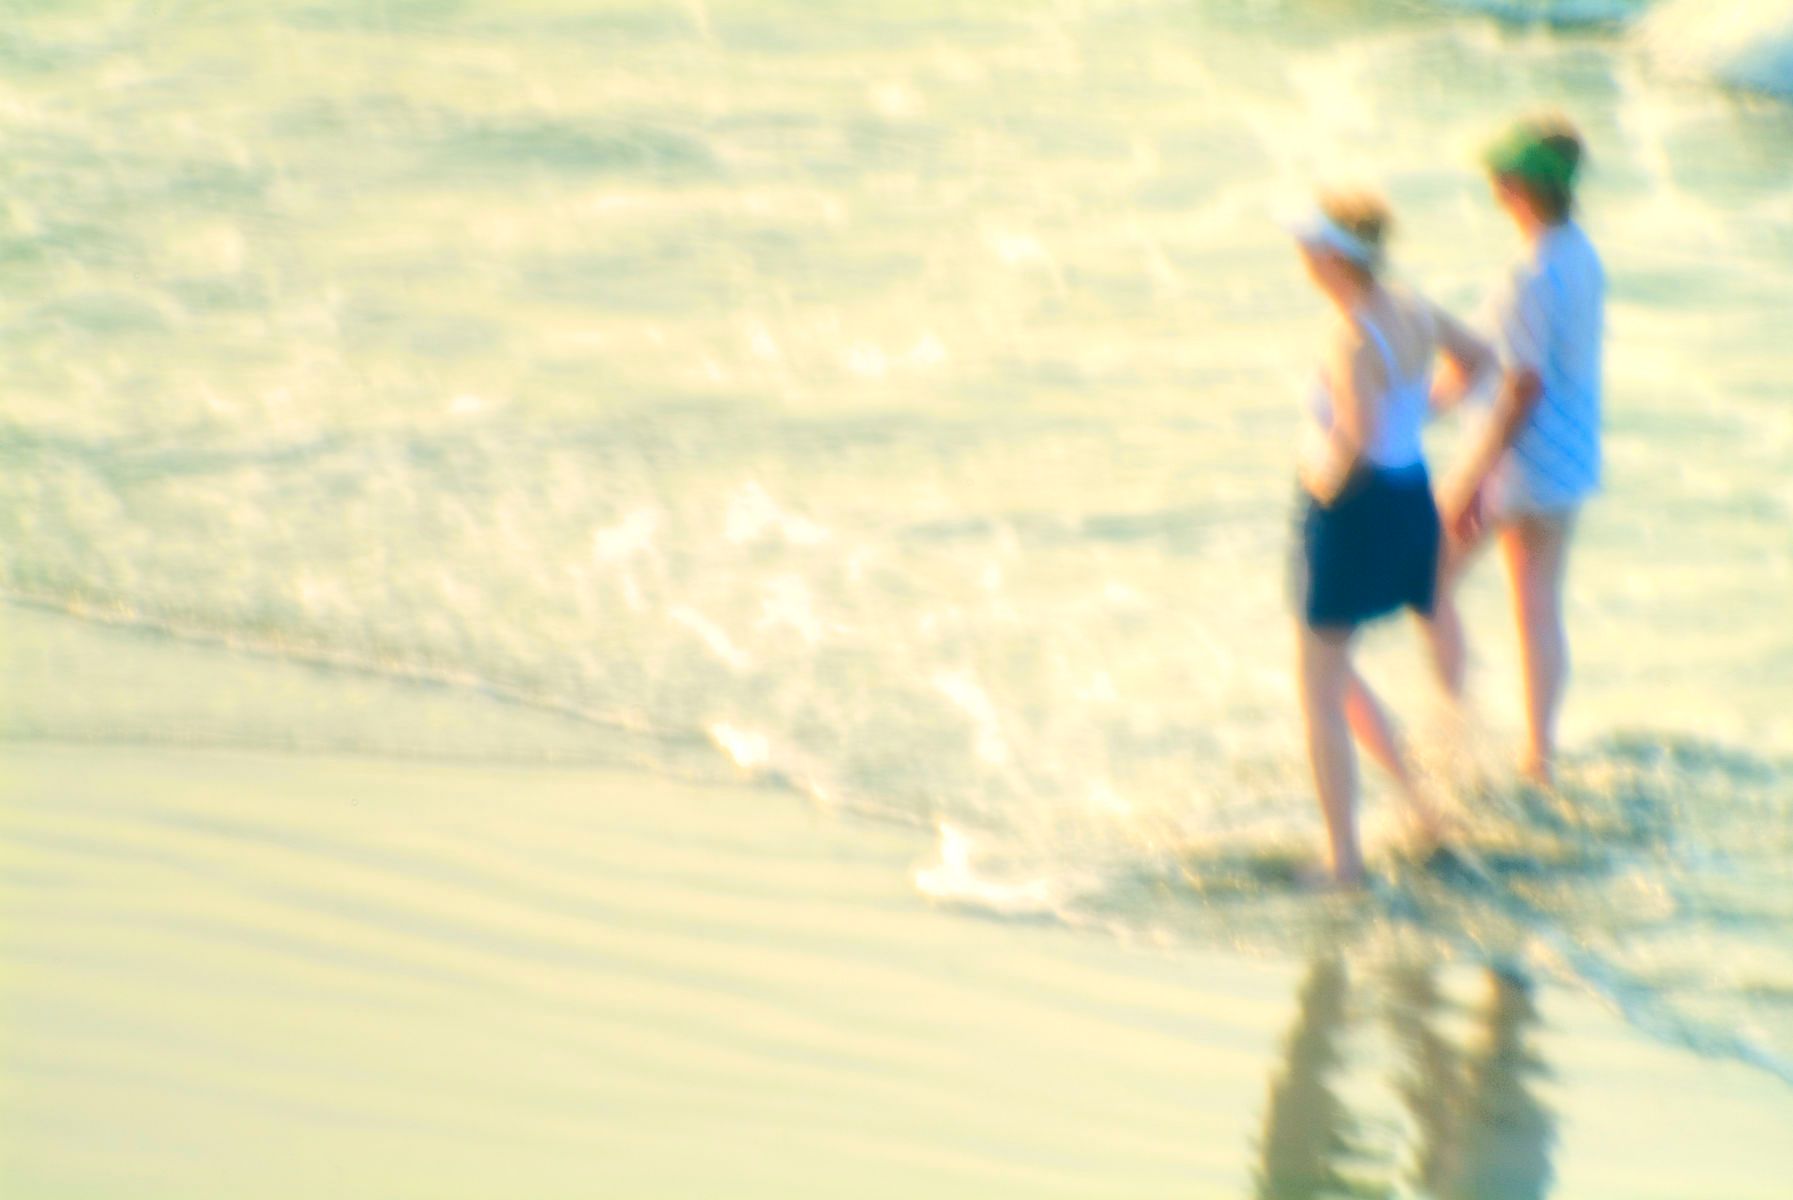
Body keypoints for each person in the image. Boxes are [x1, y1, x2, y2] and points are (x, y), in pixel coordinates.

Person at [1286, 191, 1496, 887]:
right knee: (1336, 669)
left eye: (1309, 247)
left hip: (1356, 507)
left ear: (1334, 258)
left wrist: (1317, 487)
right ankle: (1421, 805)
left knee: (1317, 682)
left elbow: (1353, 440)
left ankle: (1342, 860)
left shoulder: (1347, 335)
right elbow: (1478, 360)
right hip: (1411, 497)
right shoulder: (1410, 306)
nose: (1302, 259)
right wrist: (1423, 410)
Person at [1436, 115, 1604, 789]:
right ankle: (1539, 756)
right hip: (1567, 461)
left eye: (1499, 177)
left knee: (1429, 581)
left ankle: (1452, 730)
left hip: (1517, 467)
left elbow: (1520, 386)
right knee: (1536, 604)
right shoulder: (1579, 254)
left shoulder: (1531, 273)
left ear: (1522, 187)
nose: (1491, 186)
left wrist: (1471, 479)